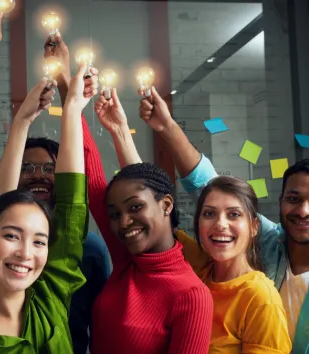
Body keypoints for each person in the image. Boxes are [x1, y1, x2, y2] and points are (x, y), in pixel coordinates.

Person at [139, 86, 309, 353]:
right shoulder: (267, 240)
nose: (304, 211)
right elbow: (207, 186)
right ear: (281, 202)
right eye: (294, 199)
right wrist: (166, 126)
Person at [0, 8, 111, 353]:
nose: (38, 176)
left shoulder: (79, 252)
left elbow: (74, 197)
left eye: (50, 169)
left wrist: (70, 96)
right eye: (26, 168)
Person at [87, 89, 213, 353]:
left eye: (135, 207)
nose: (124, 223)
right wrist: (72, 96)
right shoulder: (128, 260)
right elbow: (91, 177)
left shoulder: (191, 295)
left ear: (166, 204)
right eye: (114, 214)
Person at [182, 176, 291, 353]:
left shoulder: (260, 299)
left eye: (234, 214)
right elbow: (154, 212)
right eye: (209, 213)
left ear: (254, 227)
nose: (220, 224)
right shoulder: (198, 267)